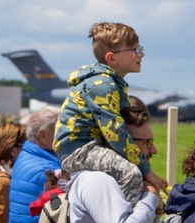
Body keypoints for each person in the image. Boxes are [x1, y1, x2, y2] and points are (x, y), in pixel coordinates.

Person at [53, 21, 168, 200]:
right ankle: (130, 221)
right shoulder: (103, 86)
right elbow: (115, 133)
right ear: (112, 59)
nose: (142, 54)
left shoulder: (110, 83)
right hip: (79, 150)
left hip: (88, 145)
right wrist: (147, 171)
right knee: (131, 174)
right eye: (135, 50)